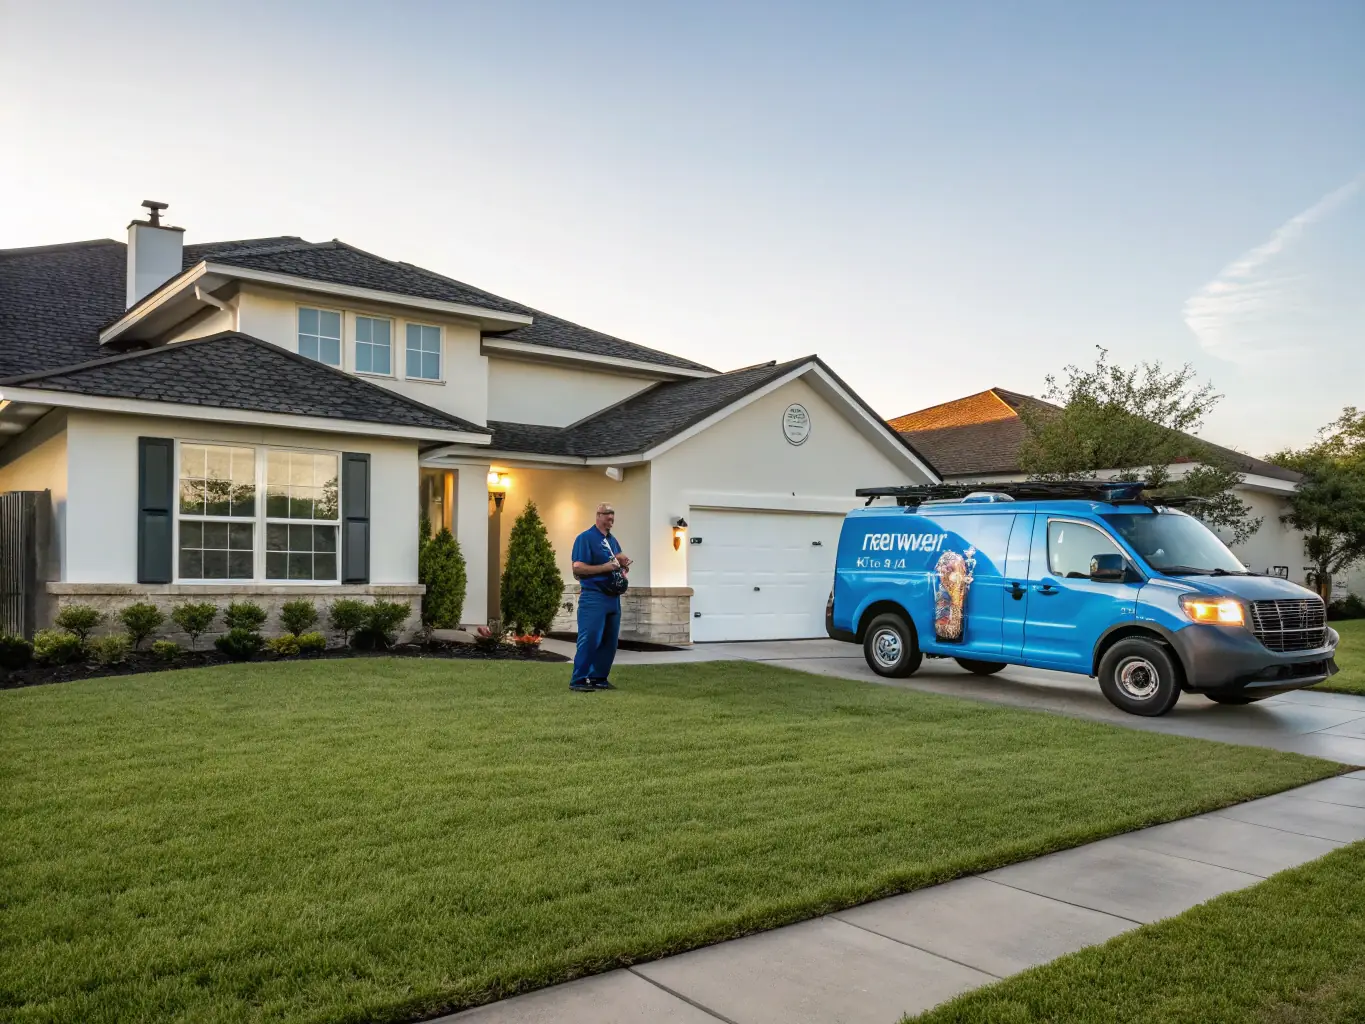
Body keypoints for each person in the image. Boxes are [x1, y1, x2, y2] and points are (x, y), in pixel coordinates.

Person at [569, 503, 632, 692]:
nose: (611, 518)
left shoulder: (611, 540)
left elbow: (617, 557)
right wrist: (606, 567)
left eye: (612, 515)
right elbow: (577, 568)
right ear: (598, 515)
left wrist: (623, 562)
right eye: (607, 514)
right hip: (594, 596)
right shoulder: (585, 538)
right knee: (590, 639)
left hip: (613, 597)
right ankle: (579, 680)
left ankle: (598, 678)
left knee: (610, 642)